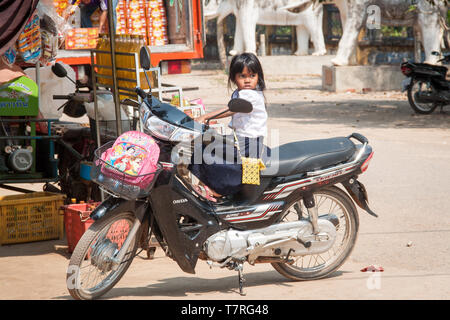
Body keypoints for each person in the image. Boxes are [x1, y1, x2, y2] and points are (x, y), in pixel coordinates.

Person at [189, 52, 268, 202]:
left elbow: (231, 109)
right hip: (241, 138)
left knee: (243, 172)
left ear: (258, 77)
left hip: (251, 141)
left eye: (252, 76)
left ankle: (218, 191)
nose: (247, 80)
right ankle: (210, 186)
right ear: (234, 78)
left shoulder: (251, 95)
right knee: (207, 144)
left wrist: (206, 116)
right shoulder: (239, 92)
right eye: (242, 76)